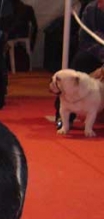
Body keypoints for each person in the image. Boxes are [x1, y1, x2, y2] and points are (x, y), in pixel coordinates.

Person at [55, 0, 104, 129]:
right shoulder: (91, 9)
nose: (100, 4)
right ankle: (63, 119)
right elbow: (84, 41)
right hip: (96, 53)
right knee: (79, 62)